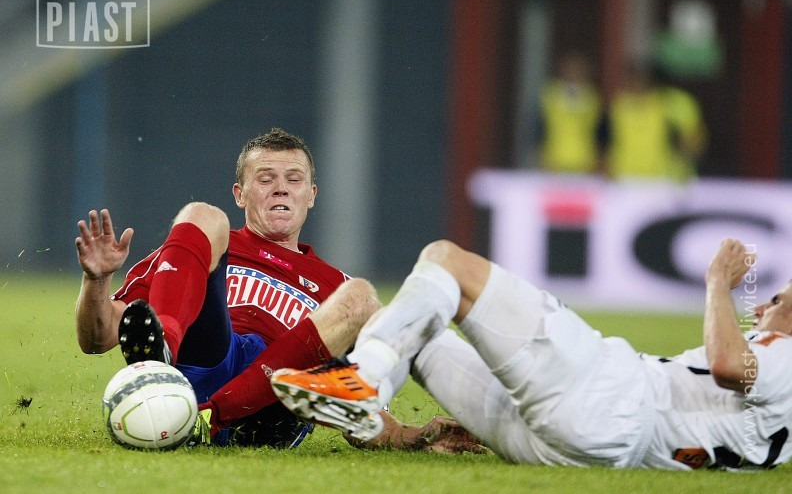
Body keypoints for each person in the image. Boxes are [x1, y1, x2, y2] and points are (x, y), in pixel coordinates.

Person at [75, 128, 482, 452]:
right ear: (240, 194)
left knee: (362, 296)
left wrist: (411, 437)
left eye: (294, 179)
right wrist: (97, 280)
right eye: (265, 179)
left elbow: (357, 408)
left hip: (272, 406)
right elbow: (98, 339)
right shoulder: (201, 248)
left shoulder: (335, 286)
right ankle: (164, 359)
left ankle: (212, 416)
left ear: (311, 195)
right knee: (200, 214)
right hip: (206, 364)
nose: (281, 188)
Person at [272, 238, 792, 470]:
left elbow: (728, 365)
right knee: (405, 323)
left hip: (609, 395)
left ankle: (360, 382)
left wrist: (717, 283)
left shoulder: (785, 359)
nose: (764, 304)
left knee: (445, 261)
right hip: (587, 449)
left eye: (779, 299)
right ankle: (371, 401)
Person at [604, 60, 706, 181]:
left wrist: (685, 154)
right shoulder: (618, 106)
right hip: (623, 176)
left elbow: (694, 139)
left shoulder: (669, 104)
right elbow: (609, 140)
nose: (634, 84)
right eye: (628, 79)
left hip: (663, 177)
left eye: (638, 79)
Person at [538, 51, 605, 174]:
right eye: (570, 68)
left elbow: (598, 130)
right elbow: (540, 127)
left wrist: (599, 159)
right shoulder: (550, 94)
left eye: (578, 69)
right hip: (554, 159)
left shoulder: (591, 96)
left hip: (585, 160)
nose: (573, 72)